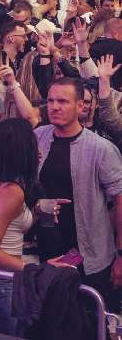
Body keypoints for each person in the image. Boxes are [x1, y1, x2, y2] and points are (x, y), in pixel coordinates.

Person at [35, 77, 122, 311]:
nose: (54, 107)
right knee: (52, 319)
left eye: (63, 101)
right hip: (47, 251)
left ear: (80, 106)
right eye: (50, 101)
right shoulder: (38, 138)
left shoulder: (100, 148)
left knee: (87, 322)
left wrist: (121, 256)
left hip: (87, 254)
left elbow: (120, 200)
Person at [0, 118, 52, 335]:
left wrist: (36, 212)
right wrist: (34, 271)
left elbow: (3, 224)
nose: (38, 153)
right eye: (33, 145)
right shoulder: (11, 192)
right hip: (5, 282)